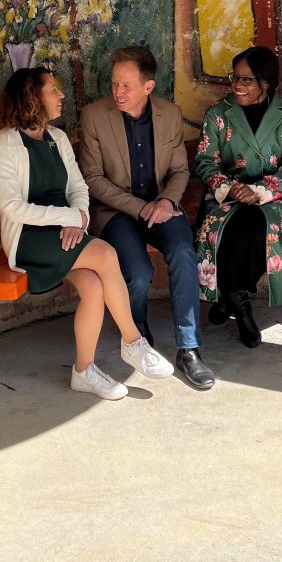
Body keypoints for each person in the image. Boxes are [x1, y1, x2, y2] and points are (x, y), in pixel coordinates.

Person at [0, 66, 174, 401]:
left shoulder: (57, 139)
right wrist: (68, 216)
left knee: (94, 284)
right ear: (32, 97)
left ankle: (83, 371)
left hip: (68, 231)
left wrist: (80, 219)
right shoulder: (3, 145)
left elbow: (78, 187)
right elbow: (12, 207)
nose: (60, 96)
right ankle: (132, 342)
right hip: (30, 237)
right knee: (105, 254)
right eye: (52, 90)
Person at [79, 46, 215, 390]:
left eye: (126, 86)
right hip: (117, 212)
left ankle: (189, 348)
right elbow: (93, 179)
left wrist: (167, 201)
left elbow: (180, 170)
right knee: (137, 273)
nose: (118, 92)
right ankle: (137, 340)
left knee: (185, 254)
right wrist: (141, 208)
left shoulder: (170, 114)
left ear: (148, 87)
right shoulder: (95, 116)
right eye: (115, 84)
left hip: (161, 205)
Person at [194, 46, 282, 348]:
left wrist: (259, 191)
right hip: (226, 195)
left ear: (265, 83)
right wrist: (231, 187)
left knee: (260, 232)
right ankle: (240, 304)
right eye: (235, 78)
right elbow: (205, 161)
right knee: (226, 232)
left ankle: (230, 299)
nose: (237, 86)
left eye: (247, 80)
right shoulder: (218, 114)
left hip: (272, 197)